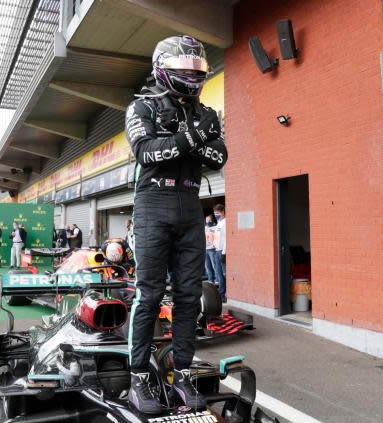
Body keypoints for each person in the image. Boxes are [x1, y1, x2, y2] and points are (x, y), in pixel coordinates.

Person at [124, 35, 227, 414]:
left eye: (197, 70)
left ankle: (181, 373)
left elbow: (219, 157)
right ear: (164, 69)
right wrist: (195, 137)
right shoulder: (142, 107)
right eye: (185, 70)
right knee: (148, 294)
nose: (193, 76)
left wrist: (184, 140)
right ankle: (138, 377)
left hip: (190, 205)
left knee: (189, 296)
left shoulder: (207, 112)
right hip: (153, 204)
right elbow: (147, 153)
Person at [212, 204, 227, 302]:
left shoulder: (225, 222)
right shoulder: (219, 223)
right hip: (216, 250)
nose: (216, 215)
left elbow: (226, 238)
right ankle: (221, 294)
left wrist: (224, 252)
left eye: (217, 213)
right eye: (214, 213)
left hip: (222, 251)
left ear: (222, 212)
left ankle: (224, 295)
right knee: (218, 274)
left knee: (224, 274)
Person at [204, 215, 217, 283]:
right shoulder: (205, 228)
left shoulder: (215, 227)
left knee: (214, 265)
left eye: (209, 220)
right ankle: (211, 280)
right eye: (207, 220)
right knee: (207, 266)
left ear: (212, 220)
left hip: (212, 249)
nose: (208, 222)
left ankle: (217, 279)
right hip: (205, 249)